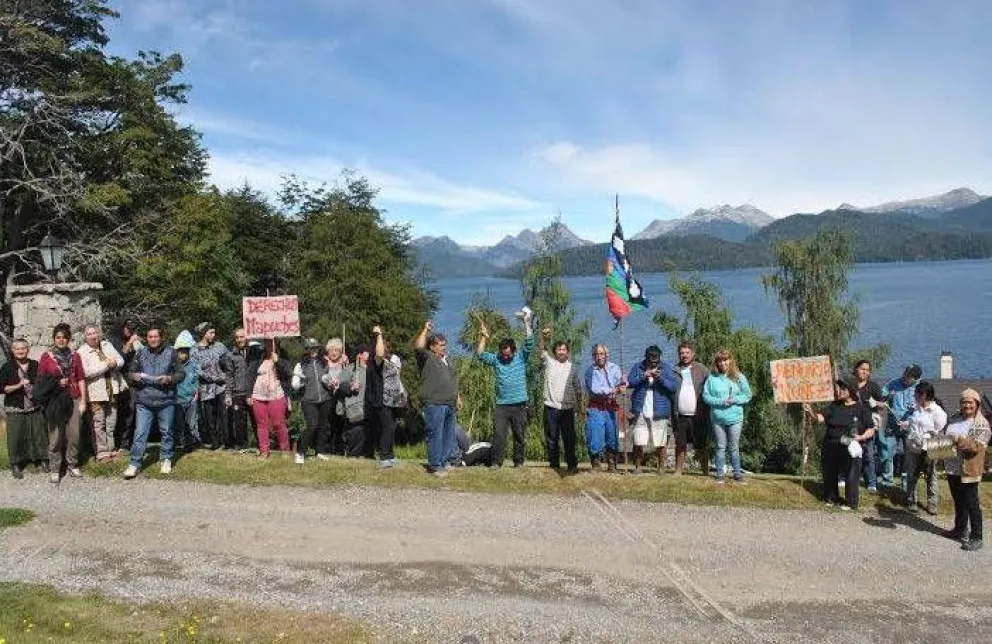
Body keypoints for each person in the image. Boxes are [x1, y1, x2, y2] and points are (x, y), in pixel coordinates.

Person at [124, 327, 185, 479]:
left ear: (161, 338)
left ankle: (166, 458)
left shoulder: (171, 352)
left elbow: (181, 373)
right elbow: (129, 372)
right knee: (140, 433)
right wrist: (134, 376)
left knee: (167, 432)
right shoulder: (140, 353)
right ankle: (134, 463)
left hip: (166, 400)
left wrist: (170, 379)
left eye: (155, 336)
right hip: (144, 400)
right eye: (150, 337)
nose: (152, 339)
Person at [476, 313, 534, 469]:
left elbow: (529, 342)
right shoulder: (497, 359)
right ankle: (496, 462)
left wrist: (527, 323)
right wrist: (483, 337)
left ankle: (519, 462)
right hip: (502, 405)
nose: (505, 356)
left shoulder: (521, 357)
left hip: (520, 404)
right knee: (499, 435)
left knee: (519, 435)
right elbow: (480, 354)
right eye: (503, 353)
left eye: (508, 354)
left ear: (513, 351)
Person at [805, 378, 874, 510]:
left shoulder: (861, 409)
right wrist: (810, 411)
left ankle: (851, 503)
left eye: (842, 389)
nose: (839, 391)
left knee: (851, 474)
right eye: (838, 388)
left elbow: (871, 429)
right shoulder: (834, 405)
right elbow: (819, 418)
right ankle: (831, 498)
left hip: (850, 446)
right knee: (829, 471)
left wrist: (861, 437)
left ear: (851, 390)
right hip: (830, 444)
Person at [36, 323, 86, 484]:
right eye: (58, 337)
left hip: (73, 397)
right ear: (54, 339)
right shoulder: (46, 357)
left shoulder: (75, 355)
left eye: (64, 337)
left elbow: (80, 378)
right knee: (56, 435)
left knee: (74, 434)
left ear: (69, 339)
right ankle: (55, 468)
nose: (61, 340)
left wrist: (83, 400)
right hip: (55, 400)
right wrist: (57, 383)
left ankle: (72, 463)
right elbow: (41, 380)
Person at [943, 388, 990, 551]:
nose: (966, 405)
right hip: (952, 466)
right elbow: (945, 435)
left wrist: (958, 440)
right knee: (958, 501)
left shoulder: (982, 424)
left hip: (969, 468)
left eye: (970, 402)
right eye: (964, 402)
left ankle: (977, 537)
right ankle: (960, 529)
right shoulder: (954, 418)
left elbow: (977, 446)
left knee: (972, 503)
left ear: (977, 404)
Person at [413, 321, 461, 477]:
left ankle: (444, 461)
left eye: (445, 345)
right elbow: (418, 346)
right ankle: (435, 465)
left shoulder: (447, 362)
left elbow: (452, 381)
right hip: (434, 403)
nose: (443, 347)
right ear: (432, 346)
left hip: (450, 403)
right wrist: (425, 329)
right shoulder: (426, 357)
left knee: (449, 435)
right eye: (440, 345)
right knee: (436, 433)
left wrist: (457, 397)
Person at [701, 349, 752, 484]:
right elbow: (706, 397)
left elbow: (747, 395)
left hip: (735, 418)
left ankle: (737, 473)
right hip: (717, 419)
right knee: (720, 446)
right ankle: (720, 474)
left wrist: (734, 400)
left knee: (734, 446)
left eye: (725, 360)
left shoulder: (738, 376)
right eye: (720, 360)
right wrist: (721, 402)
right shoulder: (712, 378)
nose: (723, 363)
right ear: (716, 363)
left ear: (730, 360)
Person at [78, 324, 126, 462]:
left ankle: (111, 449)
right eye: (89, 334)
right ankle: (101, 452)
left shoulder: (107, 345)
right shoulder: (82, 352)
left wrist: (115, 364)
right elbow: (85, 372)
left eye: (95, 333)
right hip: (95, 393)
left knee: (111, 422)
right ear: (85, 337)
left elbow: (120, 360)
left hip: (112, 390)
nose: (93, 336)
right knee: (98, 423)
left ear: (99, 334)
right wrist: (106, 366)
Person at [627, 345, 677, 475]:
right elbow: (630, 382)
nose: (654, 362)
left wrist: (659, 378)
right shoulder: (638, 367)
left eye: (656, 359)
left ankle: (661, 467)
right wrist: (644, 375)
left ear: (660, 357)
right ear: (646, 357)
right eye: (651, 359)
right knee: (638, 439)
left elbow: (673, 387)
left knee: (660, 441)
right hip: (640, 409)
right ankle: (638, 467)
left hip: (659, 409)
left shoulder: (665, 368)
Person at [538, 327, 582, 473]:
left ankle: (572, 464)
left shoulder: (573, 368)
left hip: (568, 408)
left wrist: (580, 408)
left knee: (569, 438)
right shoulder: (550, 363)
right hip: (551, 406)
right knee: (552, 438)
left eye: (563, 349)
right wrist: (544, 338)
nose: (561, 352)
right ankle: (554, 464)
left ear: (567, 352)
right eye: (558, 349)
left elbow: (578, 389)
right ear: (555, 352)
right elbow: (542, 350)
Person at [1, 339, 47, 478]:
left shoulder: (35, 365)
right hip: (16, 407)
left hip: (34, 406)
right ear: (13, 351)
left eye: (23, 348)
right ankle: (16, 463)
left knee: (38, 435)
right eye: (17, 349)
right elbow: (3, 388)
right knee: (16, 436)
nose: (20, 351)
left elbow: (42, 382)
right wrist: (19, 384)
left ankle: (42, 459)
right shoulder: (7, 367)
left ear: (28, 349)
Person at [903, 380, 947, 515]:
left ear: (924, 395)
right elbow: (914, 422)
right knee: (912, 474)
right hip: (913, 445)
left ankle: (932, 503)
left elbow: (939, 429)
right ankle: (912, 500)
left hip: (930, 445)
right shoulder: (917, 408)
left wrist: (929, 438)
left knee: (931, 474)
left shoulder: (937, 411)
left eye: (916, 393)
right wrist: (906, 424)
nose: (914, 396)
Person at [248, 338, 292, 459]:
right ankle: (264, 451)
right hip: (258, 395)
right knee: (261, 425)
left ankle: (285, 449)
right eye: (266, 342)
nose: (268, 344)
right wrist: (249, 394)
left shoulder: (282, 357)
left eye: (270, 342)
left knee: (279, 423)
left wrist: (277, 361)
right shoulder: (257, 357)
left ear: (276, 343)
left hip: (276, 394)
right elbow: (250, 375)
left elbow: (287, 374)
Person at [292, 338, 334, 464]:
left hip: (325, 398)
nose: (313, 350)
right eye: (310, 348)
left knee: (323, 426)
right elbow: (294, 384)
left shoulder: (324, 362)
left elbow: (327, 377)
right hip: (308, 399)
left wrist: (330, 381)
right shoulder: (300, 364)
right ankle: (300, 452)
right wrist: (301, 382)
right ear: (306, 350)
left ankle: (320, 451)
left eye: (315, 347)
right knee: (312, 425)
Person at [584, 344, 625, 472]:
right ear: (593, 357)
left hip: (611, 406)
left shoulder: (614, 368)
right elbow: (595, 389)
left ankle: (612, 465)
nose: (599, 357)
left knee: (612, 436)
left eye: (601, 354)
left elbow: (621, 381)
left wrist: (624, 383)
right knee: (594, 435)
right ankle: (596, 465)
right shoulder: (590, 372)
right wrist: (614, 389)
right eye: (596, 354)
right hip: (596, 406)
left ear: (606, 355)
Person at [880, 364, 922, 487]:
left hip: (910, 426)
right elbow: (881, 396)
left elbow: (928, 405)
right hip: (892, 424)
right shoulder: (893, 383)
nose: (904, 376)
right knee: (887, 451)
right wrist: (887, 397)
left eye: (908, 375)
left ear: (915, 378)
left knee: (908, 454)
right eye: (905, 372)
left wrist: (917, 408)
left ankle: (905, 481)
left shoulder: (920, 388)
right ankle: (887, 480)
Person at [672, 341, 711, 476]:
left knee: (701, 444)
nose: (684, 355)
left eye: (687, 352)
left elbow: (712, 384)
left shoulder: (701, 369)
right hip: (680, 414)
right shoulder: (674, 370)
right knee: (680, 444)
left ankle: (705, 471)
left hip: (698, 414)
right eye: (682, 353)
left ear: (693, 354)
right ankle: (678, 471)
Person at [364, 325, 399, 467]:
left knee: (391, 427)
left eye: (388, 346)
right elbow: (379, 354)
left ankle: (390, 454)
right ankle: (384, 456)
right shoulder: (376, 360)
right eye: (384, 345)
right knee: (386, 426)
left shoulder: (391, 361)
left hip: (393, 399)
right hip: (381, 398)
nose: (386, 348)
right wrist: (379, 335)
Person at [191, 322, 230, 450]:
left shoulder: (220, 346)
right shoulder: (194, 350)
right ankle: (214, 443)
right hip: (206, 389)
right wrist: (214, 378)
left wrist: (226, 374)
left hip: (222, 388)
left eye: (214, 332)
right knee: (210, 417)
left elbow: (229, 361)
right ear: (203, 333)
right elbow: (197, 370)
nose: (213, 335)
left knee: (224, 415)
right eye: (210, 332)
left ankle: (227, 442)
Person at [851, 360, 884, 493]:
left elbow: (882, 406)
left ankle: (871, 482)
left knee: (869, 454)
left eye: (867, 370)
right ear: (856, 369)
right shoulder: (850, 385)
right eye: (862, 368)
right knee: (848, 451)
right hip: (851, 423)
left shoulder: (873, 387)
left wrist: (873, 402)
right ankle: (845, 478)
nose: (864, 371)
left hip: (868, 424)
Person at [112, 318, 142, 451]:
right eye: (127, 328)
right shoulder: (114, 340)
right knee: (122, 413)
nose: (129, 331)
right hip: (120, 381)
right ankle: (119, 442)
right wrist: (129, 343)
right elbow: (119, 359)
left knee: (132, 412)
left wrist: (139, 346)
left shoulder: (134, 340)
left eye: (131, 328)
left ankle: (127, 442)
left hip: (134, 382)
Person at [227, 327, 258, 451]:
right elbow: (229, 375)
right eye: (237, 337)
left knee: (256, 420)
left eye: (242, 336)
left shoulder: (254, 352)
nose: (240, 339)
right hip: (238, 393)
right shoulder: (231, 355)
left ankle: (261, 445)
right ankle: (242, 446)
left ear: (247, 337)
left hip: (253, 392)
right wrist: (228, 394)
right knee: (239, 422)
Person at [338, 344, 370, 458]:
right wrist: (350, 386)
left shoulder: (372, 370)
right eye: (367, 352)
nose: (370, 354)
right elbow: (338, 385)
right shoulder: (351, 369)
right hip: (354, 406)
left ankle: (367, 454)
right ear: (360, 355)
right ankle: (353, 454)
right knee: (356, 431)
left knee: (369, 430)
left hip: (369, 406)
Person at [173, 330, 200, 452]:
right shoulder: (173, 366)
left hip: (191, 399)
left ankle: (191, 442)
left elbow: (196, 380)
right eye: (181, 351)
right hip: (177, 399)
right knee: (178, 423)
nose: (183, 354)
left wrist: (196, 393)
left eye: (186, 351)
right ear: (177, 352)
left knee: (192, 422)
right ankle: (179, 443)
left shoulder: (193, 365)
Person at [321, 338, 349, 457]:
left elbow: (348, 376)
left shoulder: (344, 363)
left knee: (340, 423)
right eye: (331, 350)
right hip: (327, 395)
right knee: (327, 424)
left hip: (340, 397)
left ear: (340, 352)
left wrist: (345, 364)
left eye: (336, 350)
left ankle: (339, 448)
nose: (333, 353)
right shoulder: (324, 362)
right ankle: (326, 447)